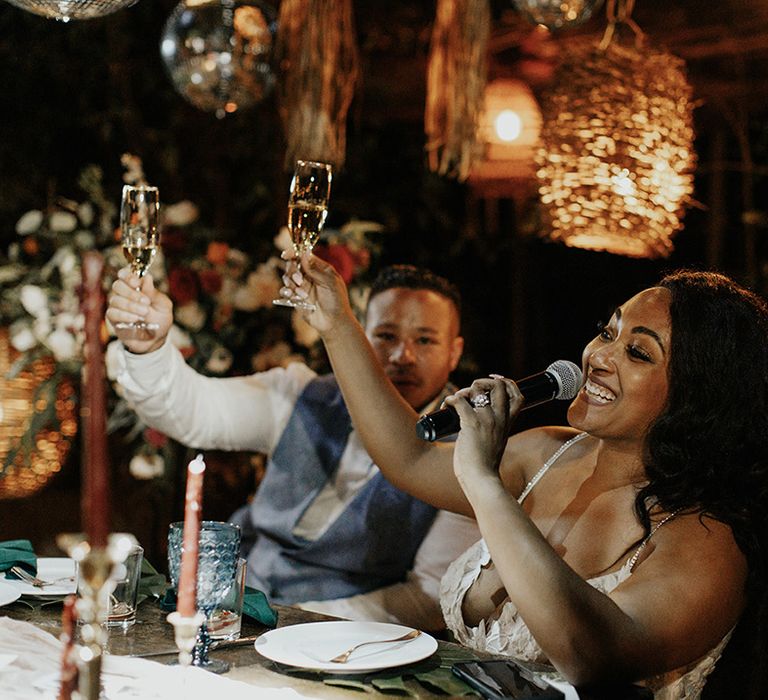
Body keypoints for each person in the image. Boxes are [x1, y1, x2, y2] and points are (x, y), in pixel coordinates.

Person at [284, 257, 768, 699]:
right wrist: (337, 325)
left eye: (638, 353)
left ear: (698, 395)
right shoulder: (548, 451)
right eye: (607, 331)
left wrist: (484, 483)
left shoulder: (709, 535)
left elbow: (591, 657)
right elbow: (407, 458)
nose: (599, 357)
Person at [106, 263, 479, 631]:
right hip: (231, 608)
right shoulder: (304, 391)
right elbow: (194, 412)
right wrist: (150, 350)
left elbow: (429, 596)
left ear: (454, 352)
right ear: (362, 336)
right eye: (385, 336)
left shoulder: (470, 451)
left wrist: (297, 620)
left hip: (342, 643)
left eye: (425, 340)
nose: (403, 356)